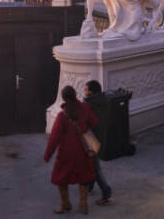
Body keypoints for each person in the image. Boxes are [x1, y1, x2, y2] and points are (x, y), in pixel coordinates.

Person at [44, 86, 97, 214]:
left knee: (61, 178)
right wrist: (85, 128)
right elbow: (95, 122)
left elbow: (54, 138)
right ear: (75, 95)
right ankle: (83, 205)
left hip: (66, 153)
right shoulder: (85, 108)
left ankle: (65, 204)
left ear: (64, 98)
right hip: (83, 151)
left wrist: (47, 155)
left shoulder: (62, 116)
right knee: (84, 177)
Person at [83, 81, 113, 203]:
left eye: (85, 89)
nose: (84, 91)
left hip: (90, 138)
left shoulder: (88, 105)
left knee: (95, 167)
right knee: (91, 163)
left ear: (91, 92)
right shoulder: (104, 101)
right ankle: (89, 185)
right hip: (100, 136)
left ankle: (106, 191)